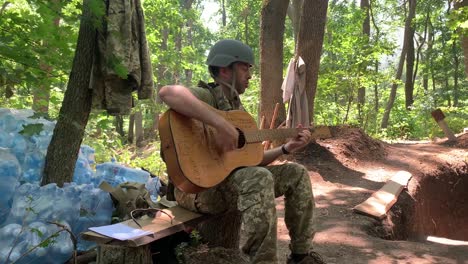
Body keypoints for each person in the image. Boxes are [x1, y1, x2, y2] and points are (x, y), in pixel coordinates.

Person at [158, 39, 325, 264]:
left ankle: (300, 255)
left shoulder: (238, 111)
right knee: (258, 178)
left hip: (230, 184)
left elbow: (251, 161)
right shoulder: (208, 96)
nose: (249, 75)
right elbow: (168, 93)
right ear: (225, 69)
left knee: (296, 173)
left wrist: (285, 148)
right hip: (197, 190)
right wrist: (221, 125)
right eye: (245, 67)